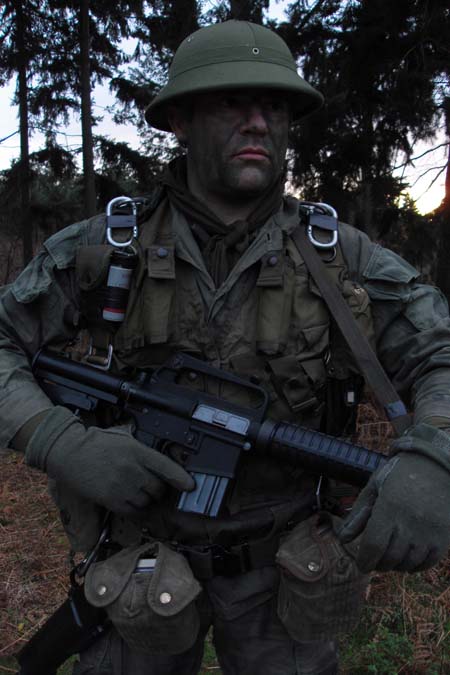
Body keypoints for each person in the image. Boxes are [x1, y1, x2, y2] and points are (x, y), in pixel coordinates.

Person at [1, 20, 450, 675]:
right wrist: (61, 441)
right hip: (135, 563)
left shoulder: (341, 258)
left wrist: (433, 455)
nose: (258, 122)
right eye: (231, 102)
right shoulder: (105, 249)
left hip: (287, 574)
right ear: (179, 120)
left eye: (274, 107)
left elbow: (439, 352)